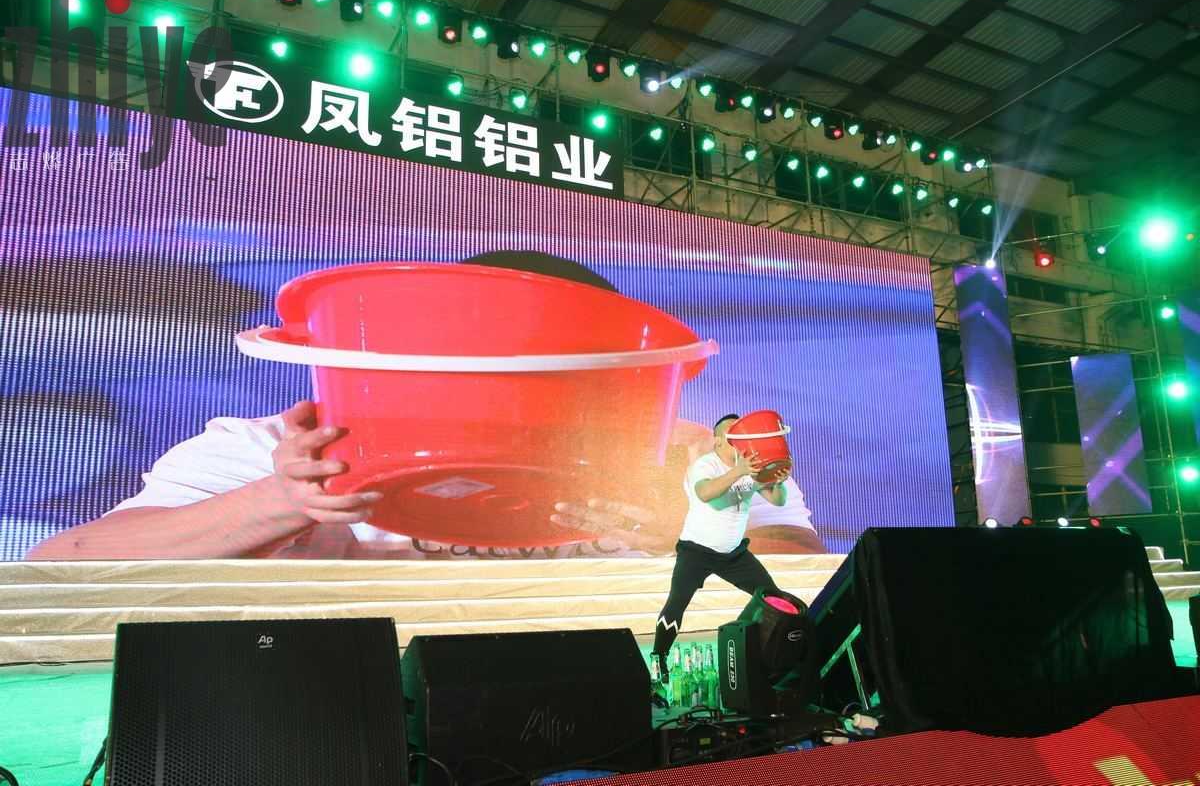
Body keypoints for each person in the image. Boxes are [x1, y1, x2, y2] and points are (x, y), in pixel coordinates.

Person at [26, 252, 825, 560]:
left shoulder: (704, 458)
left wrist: (691, 533)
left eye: (561, 378)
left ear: (623, 377)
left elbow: (809, 578)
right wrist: (283, 499)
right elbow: (64, 564)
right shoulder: (285, 449)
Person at [650, 414, 791, 681]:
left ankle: (771, 661)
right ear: (717, 442)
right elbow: (705, 494)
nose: (738, 441)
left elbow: (778, 500)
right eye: (731, 436)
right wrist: (739, 471)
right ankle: (659, 661)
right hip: (696, 551)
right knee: (677, 602)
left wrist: (779, 481)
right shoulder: (705, 465)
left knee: (772, 598)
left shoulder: (750, 466)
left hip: (734, 554)